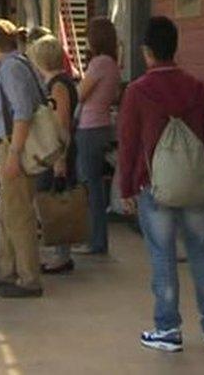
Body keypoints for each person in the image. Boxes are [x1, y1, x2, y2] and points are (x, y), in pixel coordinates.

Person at [118, 16, 204, 352]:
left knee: (162, 256)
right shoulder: (196, 87)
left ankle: (168, 328)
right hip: (194, 184)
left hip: (154, 186)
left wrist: (126, 187)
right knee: (202, 253)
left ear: (146, 51)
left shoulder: (138, 91)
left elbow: (128, 143)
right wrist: (192, 168)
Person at [0, 19, 44, 298]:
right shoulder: (18, 64)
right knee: (8, 211)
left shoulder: (13, 69)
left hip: (14, 146)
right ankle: (4, 271)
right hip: (9, 145)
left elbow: (23, 112)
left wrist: (14, 154)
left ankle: (29, 279)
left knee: (18, 214)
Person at [27, 35, 78, 274]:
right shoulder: (58, 83)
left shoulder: (58, 86)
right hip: (52, 150)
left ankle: (60, 254)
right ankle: (57, 252)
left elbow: (61, 122)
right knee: (50, 199)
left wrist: (59, 160)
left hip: (55, 151)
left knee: (53, 202)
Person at [74, 17, 121, 255]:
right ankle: (98, 238)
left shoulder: (99, 63)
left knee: (90, 184)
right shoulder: (113, 63)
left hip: (89, 126)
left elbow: (81, 94)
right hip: (102, 125)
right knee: (97, 185)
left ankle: (95, 240)